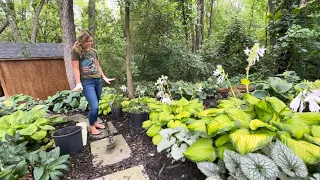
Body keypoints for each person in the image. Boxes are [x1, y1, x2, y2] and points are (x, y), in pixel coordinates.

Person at [71, 30, 115, 135]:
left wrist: (104, 77)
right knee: (94, 106)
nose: (90, 43)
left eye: (91, 41)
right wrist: (78, 83)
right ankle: (92, 127)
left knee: (96, 104)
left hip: (97, 81)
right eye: (87, 41)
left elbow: (97, 65)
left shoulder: (94, 52)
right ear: (81, 41)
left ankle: (95, 123)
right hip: (87, 82)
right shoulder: (75, 52)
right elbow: (76, 69)